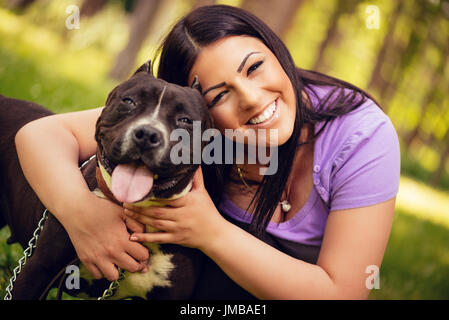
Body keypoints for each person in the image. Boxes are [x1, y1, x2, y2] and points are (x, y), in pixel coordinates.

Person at [15, 5, 400, 299]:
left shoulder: (360, 135)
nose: (251, 99)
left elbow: (344, 293)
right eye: (219, 94)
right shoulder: (183, 125)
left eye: (254, 68)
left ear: (279, 53)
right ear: (192, 109)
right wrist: (81, 212)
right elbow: (41, 134)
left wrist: (211, 232)